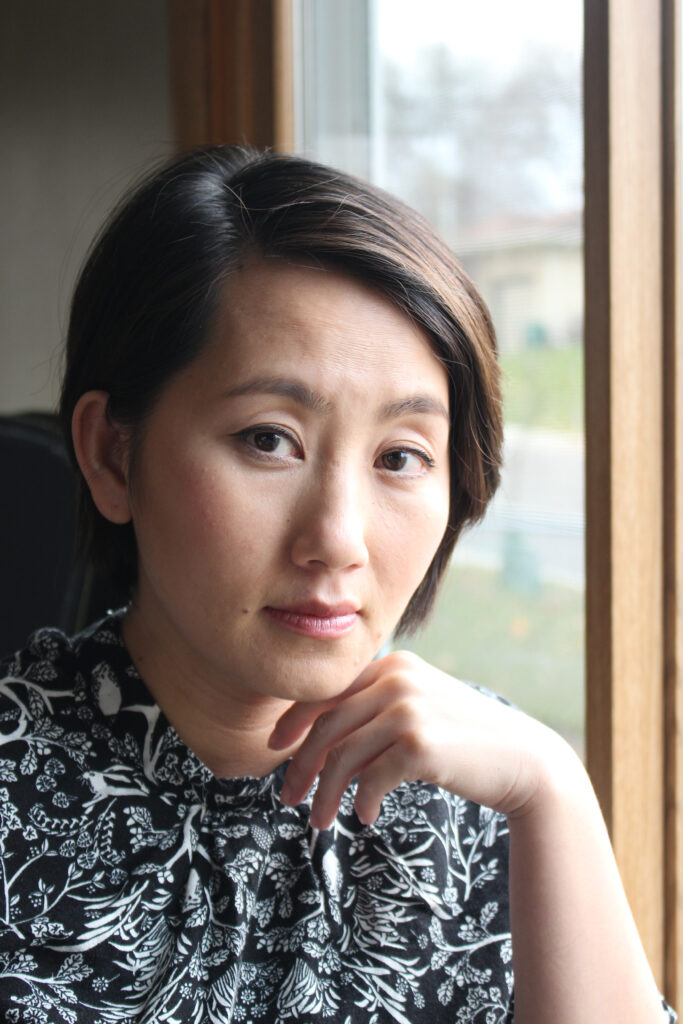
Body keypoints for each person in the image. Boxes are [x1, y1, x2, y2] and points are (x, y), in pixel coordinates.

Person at [0, 145, 675, 1024]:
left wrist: (554, 789)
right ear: (111, 453)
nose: (337, 540)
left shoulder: (482, 796)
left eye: (400, 456)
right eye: (268, 439)